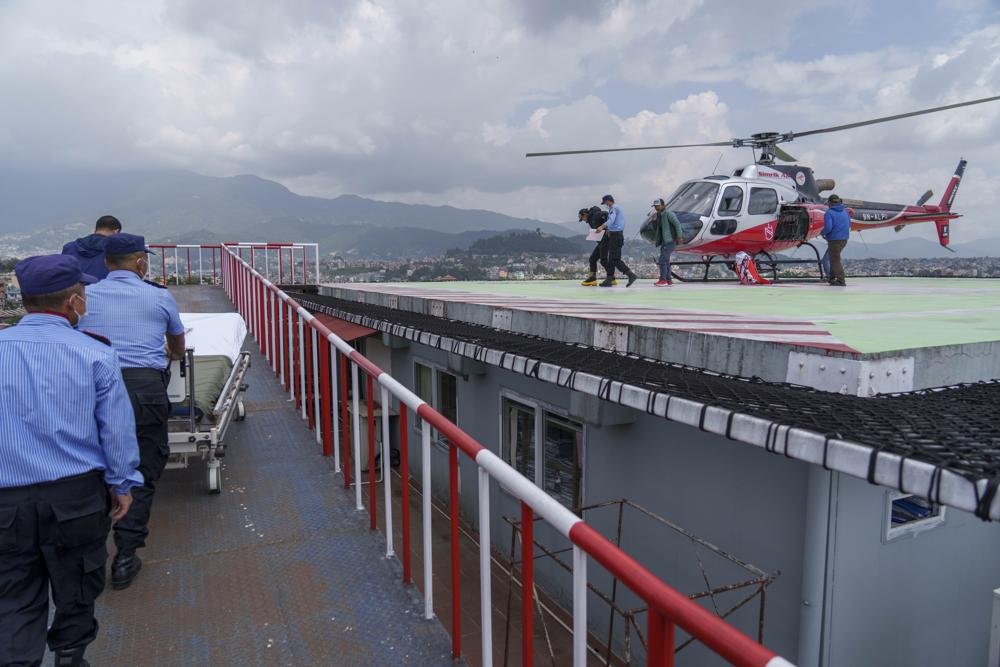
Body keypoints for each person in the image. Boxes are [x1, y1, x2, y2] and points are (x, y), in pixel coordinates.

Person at [0, 255, 142, 667]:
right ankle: (70, 657)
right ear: (74, 301)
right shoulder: (95, 354)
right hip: (75, 498)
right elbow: (115, 431)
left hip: (6, 503)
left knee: (13, 595)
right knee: (77, 586)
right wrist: (122, 485)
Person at [79, 233, 186, 591]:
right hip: (143, 390)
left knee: (92, 468)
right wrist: (169, 353)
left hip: (91, 388)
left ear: (106, 263)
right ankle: (125, 557)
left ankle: (89, 556)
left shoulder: (86, 297)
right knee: (140, 469)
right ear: (140, 263)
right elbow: (177, 344)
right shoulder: (158, 296)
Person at [61, 215, 122, 280]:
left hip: (75, 288)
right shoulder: (115, 251)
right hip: (102, 288)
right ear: (116, 231)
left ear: (96, 229)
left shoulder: (69, 247)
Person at [596, 195, 637, 287]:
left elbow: (611, 220)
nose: (605, 204)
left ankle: (630, 274)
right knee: (611, 259)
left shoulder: (614, 208)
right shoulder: (615, 208)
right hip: (614, 234)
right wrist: (609, 230)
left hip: (616, 236)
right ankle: (609, 279)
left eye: (605, 202)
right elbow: (616, 222)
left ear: (608, 201)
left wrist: (602, 227)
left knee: (615, 259)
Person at [651, 198, 683, 287]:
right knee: (666, 261)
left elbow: (677, 224)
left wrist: (679, 236)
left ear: (663, 206)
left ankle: (663, 280)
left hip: (670, 240)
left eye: (658, 205)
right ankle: (668, 280)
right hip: (664, 241)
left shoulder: (669, 214)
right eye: (655, 206)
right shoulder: (659, 215)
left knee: (662, 260)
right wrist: (654, 221)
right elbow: (657, 229)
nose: (656, 207)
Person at [822, 194, 851, 286]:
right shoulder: (845, 212)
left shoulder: (829, 213)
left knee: (834, 260)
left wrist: (822, 233)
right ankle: (831, 278)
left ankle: (841, 280)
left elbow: (828, 227)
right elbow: (849, 224)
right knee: (833, 258)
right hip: (844, 239)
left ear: (830, 203)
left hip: (834, 240)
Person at [580, 206, 609, 286]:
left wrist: (607, 228)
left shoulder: (595, 215)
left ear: (584, 214)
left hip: (606, 239)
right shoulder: (590, 219)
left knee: (603, 260)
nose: (583, 220)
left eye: (582, 218)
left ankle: (611, 277)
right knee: (592, 259)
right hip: (601, 241)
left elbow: (606, 214)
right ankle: (592, 279)